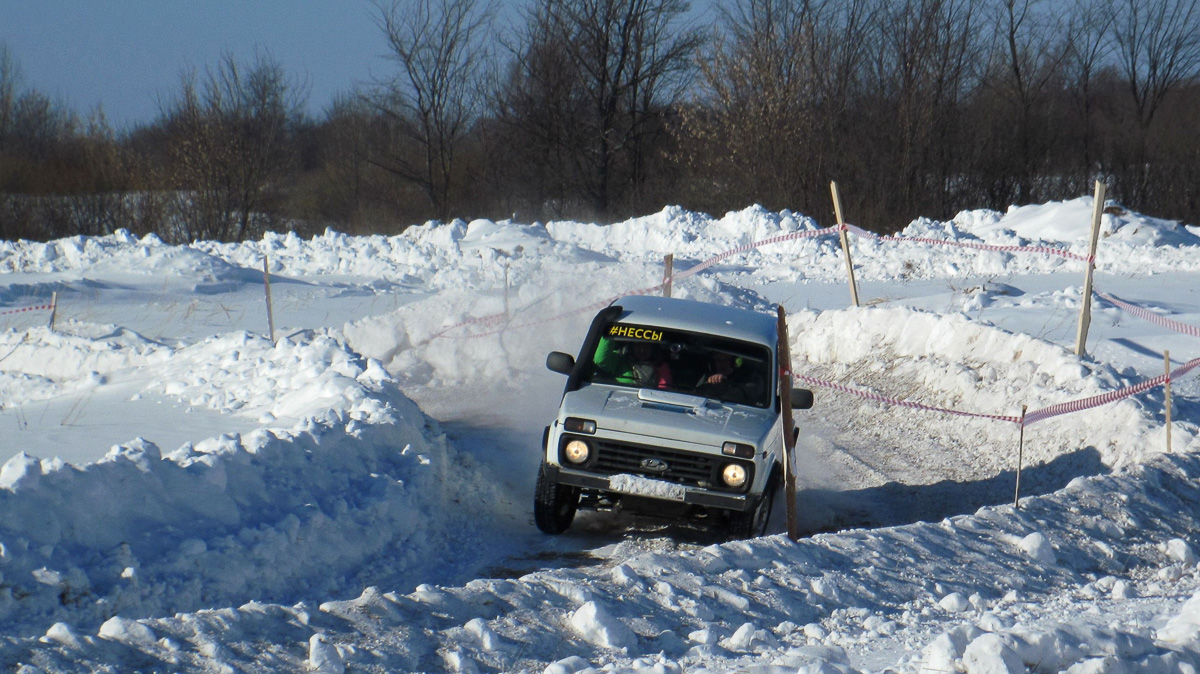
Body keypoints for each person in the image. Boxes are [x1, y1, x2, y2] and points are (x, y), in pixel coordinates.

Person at [592, 336, 673, 389]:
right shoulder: (619, 360)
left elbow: (664, 391)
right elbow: (600, 360)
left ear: (653, 349)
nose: (642, 350)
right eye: (638, 345)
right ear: (631, 347)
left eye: (646, 346)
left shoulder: (660, 367)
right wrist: (611, 331)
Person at [696, 350, 765, 404]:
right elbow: (697, 394)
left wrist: (725, 383)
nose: (721, 363)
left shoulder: (752, 378)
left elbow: (745, 396)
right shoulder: (708, 377)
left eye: (725, 359)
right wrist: (709, 384)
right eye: (718, 360)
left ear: (733, 361)